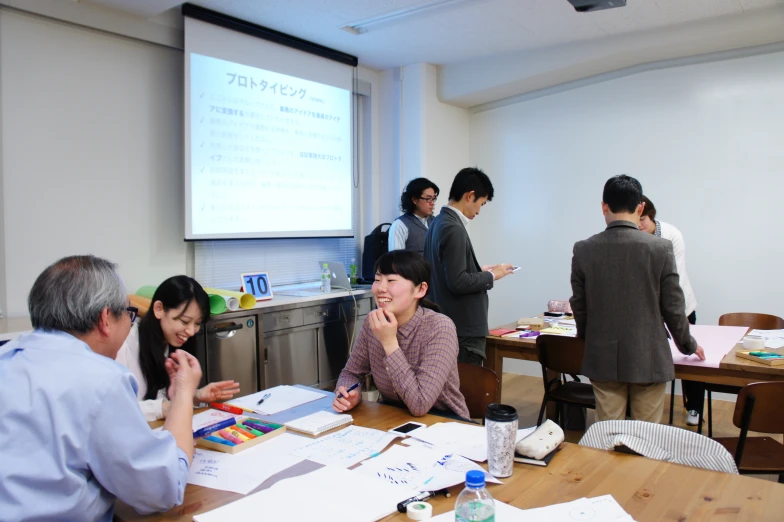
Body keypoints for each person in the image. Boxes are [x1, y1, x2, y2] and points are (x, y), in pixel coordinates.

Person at [0, 255, 201, 521]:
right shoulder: (101, 380)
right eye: (129, 315)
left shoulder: (8, 357)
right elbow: (161, 489)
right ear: (106, 319)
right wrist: (185, 393)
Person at [569, 175, 705, 423]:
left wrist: (588, 337)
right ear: (640, 207)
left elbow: (580, 305)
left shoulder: (583, 249)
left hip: (602, 358)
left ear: (604, 206)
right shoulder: (660, 248)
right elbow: (674, 308)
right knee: (646, 438)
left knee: (607, 435)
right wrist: (688, 345)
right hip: (648, 358)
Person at [332, 250, 470, 420]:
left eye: (391, 280)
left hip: (443, 420)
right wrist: (349, 393)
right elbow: (351, 373)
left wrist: (389, 342)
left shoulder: (439, 327)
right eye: (377, 280)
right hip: (393, 416)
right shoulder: (372, 322)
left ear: (420, 289)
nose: (381, 288)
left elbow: (420, 404)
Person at [116, 275, 240, 421]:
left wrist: (196, 395)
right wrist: (163, 408)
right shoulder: (123, 346)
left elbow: (167, 399)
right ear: (159, 309)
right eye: (185, 321)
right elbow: (117, 411)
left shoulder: (171, 344)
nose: (191, 331)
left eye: (197, 323)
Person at [423, 167, 514, 365]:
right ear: (470, 196)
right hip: (462, 329)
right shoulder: (453, 228)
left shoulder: (438, 223)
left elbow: (447, 271)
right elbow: (457, 282)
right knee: (466, 391)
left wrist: (478, 270)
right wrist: (493, 275)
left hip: (448, 322)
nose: (479, 211)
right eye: (481, 204)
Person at [639, 195, 702, 426]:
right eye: (637, 219)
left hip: (680, 305)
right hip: (648, 310)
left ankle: (694, 406)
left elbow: (675, 279)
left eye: (643, 219)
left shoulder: (671, 235)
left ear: (651, 216)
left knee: (690, 357)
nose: (640, 225)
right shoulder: (633, 237)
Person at [388, 177, 440, 255]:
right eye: (428, 199)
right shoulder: (400, 225)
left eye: (433, 199)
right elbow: (396, 260)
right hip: (415, 267)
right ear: (415, 200)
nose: (432, 203)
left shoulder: (436, 222)